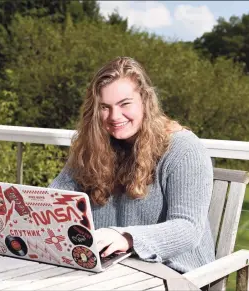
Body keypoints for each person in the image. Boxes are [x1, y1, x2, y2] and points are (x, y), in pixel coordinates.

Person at [49, 56, 215, 274]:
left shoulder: (183, 149)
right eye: (104, 107)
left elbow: (188, 229)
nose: (114, 116)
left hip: (176, 273)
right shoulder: (91, 147)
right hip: (110, 269)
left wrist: (126, 237)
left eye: (124, 104)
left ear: (145, 101)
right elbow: (55, 199)